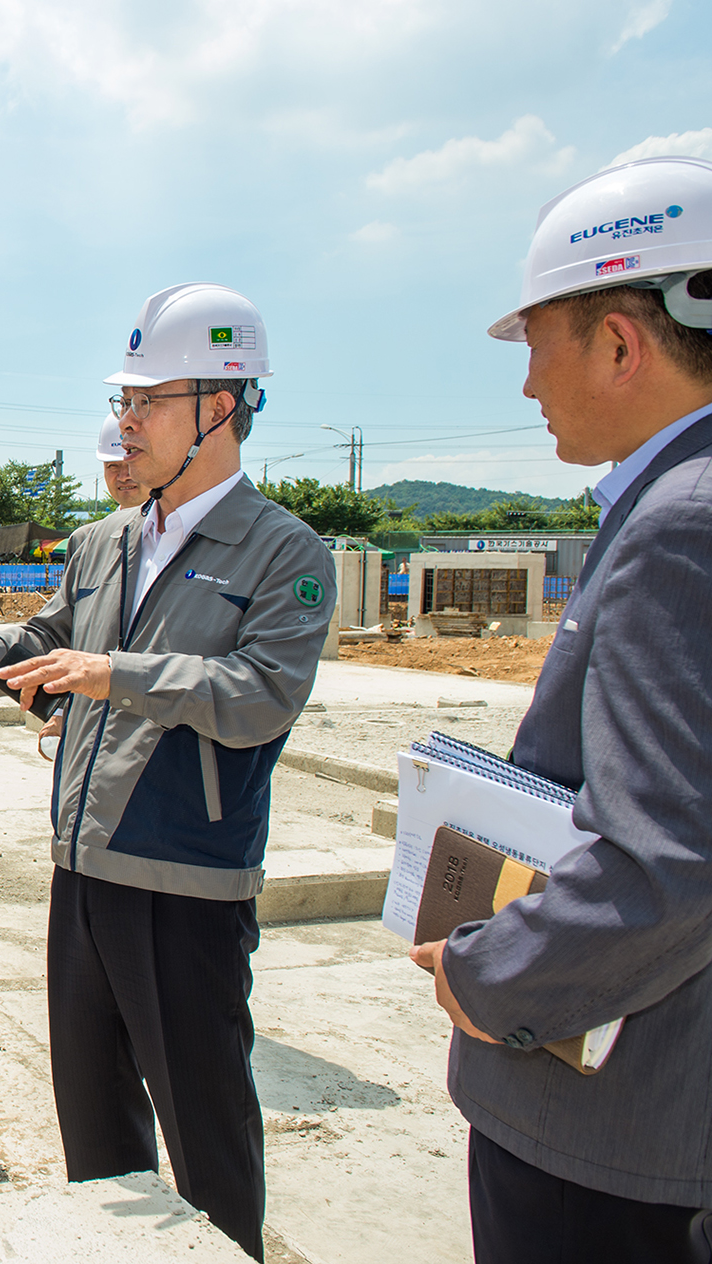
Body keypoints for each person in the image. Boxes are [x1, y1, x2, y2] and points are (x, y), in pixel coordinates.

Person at [0, 283, 334, 1261]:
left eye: (147, 399)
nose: (124, 419)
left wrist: (115, 674)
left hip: (187, 882)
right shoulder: (103, 543)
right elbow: (48, 632)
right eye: (122, 399)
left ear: (219, 406)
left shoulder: (283, 551)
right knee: (92, 1123)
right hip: (81, 868)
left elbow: (262, 691)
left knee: (204, 1128)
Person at [414, 156, 712, 1263]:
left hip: (626, 1137)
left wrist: (488, 972)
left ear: (621, 342)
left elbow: (668, 858)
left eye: (535, 345)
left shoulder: (681, 524)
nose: (529, 385)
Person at [36, 418, 149, 759]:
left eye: (130, 463)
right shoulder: (86, 541)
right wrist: (58, 710)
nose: (123, 475)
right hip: (90, 725)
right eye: (113, 466)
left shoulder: (188, 540)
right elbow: (66, 634)